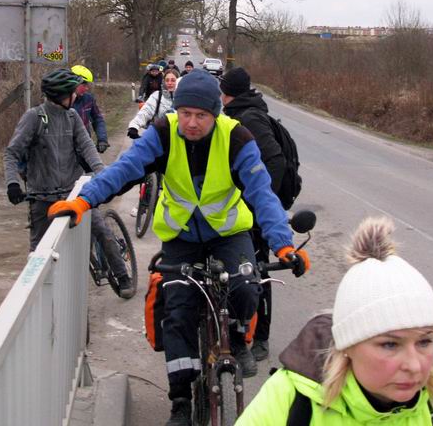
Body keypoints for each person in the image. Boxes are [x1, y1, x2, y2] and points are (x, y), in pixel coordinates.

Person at [47, 69, 311, 426]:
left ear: (216, 114)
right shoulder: (163, 132)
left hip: (228, 233)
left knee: (247, 287)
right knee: (178, 311)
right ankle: (181, 402)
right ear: (177, 110)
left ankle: (237, 336)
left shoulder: (237, 138)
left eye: (201, 115)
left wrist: (283, 245)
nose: (191, 122)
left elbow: (262, 194)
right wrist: (83, 201)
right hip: (181, 239)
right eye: (185, 113)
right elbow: (124, 170)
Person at [236, 216, 433, 425]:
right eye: (390, 344)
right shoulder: (294, 399)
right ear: (347, 347)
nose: (415, 366)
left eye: (425, 341)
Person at [3, 68, 135, 298]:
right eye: (73, 92)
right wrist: (12, 183)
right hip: (43, 199)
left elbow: (88, 148)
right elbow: (12, 153)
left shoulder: (72, 117)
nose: (76, 95)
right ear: (64, 95)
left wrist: (104, 178)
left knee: (101, 231)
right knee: (38, 255)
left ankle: (122, 275)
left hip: (76, 196)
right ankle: (38, 298)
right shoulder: (34, 117)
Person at [220, 67, 285, 362]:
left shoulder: (249, 118)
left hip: (256, 210)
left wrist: (257, 201)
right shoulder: (239, 113)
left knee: (258, 271)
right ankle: (238, 327)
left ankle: (261, 338)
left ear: (227, 92)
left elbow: (275, 162)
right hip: (241, 208)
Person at [70, 64, 110, 155]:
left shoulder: (89, 99)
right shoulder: (62, 101)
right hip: (67, 151)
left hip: (85, 147)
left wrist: (102, 139)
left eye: (87, 85)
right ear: (73, 82)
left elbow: (97, 119)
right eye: (84, 85)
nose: (87, 88)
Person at [128, 69, 178, 139]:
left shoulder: (184, 98)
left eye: (173, 80)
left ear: (178, 81)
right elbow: (145, 111)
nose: (169, 83)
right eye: (167, 80)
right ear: (163, 82)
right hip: (159, 138)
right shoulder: (156, 96)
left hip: (177, 138)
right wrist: (134, 126)